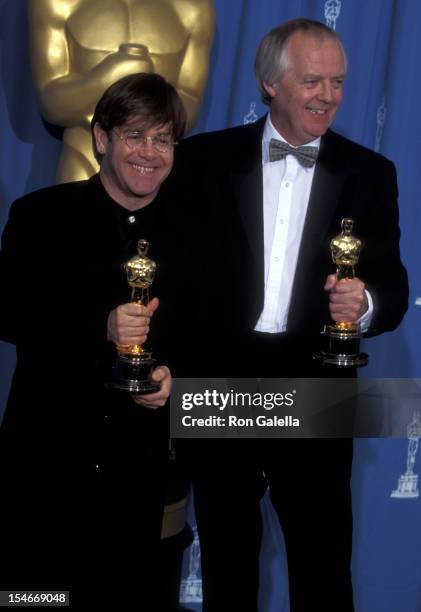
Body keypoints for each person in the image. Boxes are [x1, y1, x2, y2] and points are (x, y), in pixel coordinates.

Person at [170, 18, 409, 611]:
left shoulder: (371, 174)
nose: (327, 95)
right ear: (270, 83)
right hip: (222, 382)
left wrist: (366, 304)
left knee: (323, 563)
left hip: (318, 381)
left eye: (337, 82)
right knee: (227, 557)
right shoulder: (200, 161)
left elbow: (393, 286)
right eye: (311, 80)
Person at [0, 72, 191, 607]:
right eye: (134, 135)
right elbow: (9, 313)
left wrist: (176, 381)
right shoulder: (40, 216)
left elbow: (204, 332)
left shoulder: (195, 233)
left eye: (162, 139)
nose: (149, 153)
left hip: (137, 480)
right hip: (42, 474)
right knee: (31, 601)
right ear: (102, 138)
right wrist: (97, 326)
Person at [28, 0, 215, 182]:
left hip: (152, 169)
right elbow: (51, 104)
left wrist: (146, 103)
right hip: (85, 160)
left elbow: (191, 103)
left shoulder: (194, 7)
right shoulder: (56, 3)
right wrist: (107, 76)